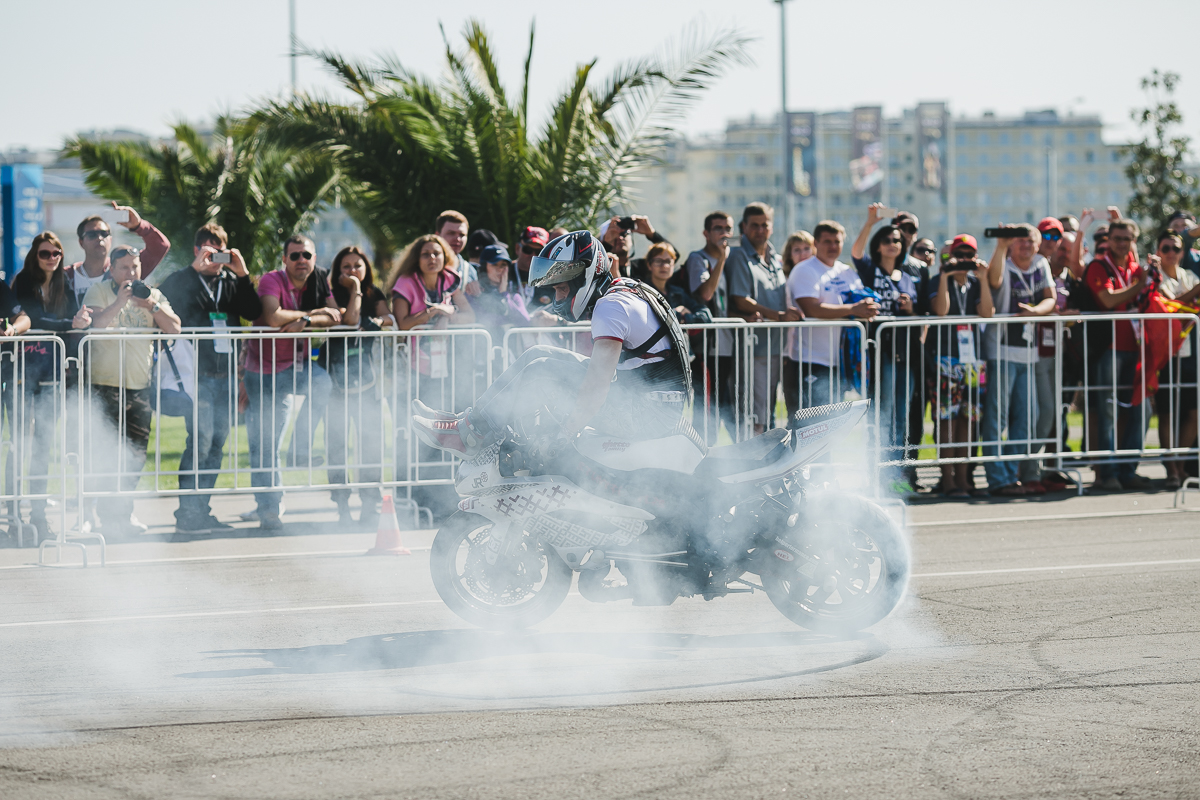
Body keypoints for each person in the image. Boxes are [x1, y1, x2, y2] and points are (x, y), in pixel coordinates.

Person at [410, 230, 692, 456]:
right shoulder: (623, 292)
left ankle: (470, 435)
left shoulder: (610, 307)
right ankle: (467, 424)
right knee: (539, 353)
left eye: (561, 287)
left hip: (649, 416)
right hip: (652, 405)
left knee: (542, 369)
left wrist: (562, 437)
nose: (557, 297)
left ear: (583, 276)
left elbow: (596, 389)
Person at [157, 223, 263, 534]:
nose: (212, 254)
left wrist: (242, 274)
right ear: (195, 250)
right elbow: (162, 298)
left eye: (218, 248)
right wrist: (193, 270)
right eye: (206, 247)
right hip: (197, 376)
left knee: (217, 445)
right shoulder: (184, 279)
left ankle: (201, 510)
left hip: (227, 375)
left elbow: (254, 310)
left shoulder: (231, 281)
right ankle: (187, 512)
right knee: (199, 444)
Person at [244, 235, 343, 530]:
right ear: (285, 259)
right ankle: (268, 509)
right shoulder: (271, 280)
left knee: (322, 383)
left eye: (307, 256)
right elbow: (274, 318)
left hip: (297, 368)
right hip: (262, 371)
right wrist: (312, 315)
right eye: (296, 255)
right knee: (264, 445)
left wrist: (307, 322)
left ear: (314, 259)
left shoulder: (319, 280)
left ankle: (299, 450)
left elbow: (336, 315)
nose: (302, 260)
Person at [82, 245, 181, 538]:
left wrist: (150, 306)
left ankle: (122, 514)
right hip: (105, 385)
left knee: (135, 457)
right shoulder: (99, 292)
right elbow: (95, 324)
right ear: (111, 269)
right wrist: (119, 303)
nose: (131, 273)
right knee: (105, 456)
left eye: (135, 267)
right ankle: (101, 515)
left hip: (139, 388)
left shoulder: (151, 294)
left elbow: (175, 329)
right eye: (124, 267)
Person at [12, 232, 92, 538]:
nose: (52, 258)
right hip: (23, 371)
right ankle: (14, 515)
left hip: (55, 372)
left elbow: (72, 319)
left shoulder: (64, 283)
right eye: (45, 253)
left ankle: (38, 518)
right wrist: (69, 326)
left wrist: (80, 322)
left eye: (56, 253)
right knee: (18, 445)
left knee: (43, 445)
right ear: (35, 255)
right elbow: (34, 319)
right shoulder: (23, 281)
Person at [982, 224, 1057, 497]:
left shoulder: (1040, 263)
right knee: (996, 418)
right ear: (1012, 244)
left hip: (1029, 351)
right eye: (1020, 241)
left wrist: (1036, 311)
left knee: (1027, 418)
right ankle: (996, 477)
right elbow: (994, 280)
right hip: (1001, 350)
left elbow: (1051, 298)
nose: (1026, 245)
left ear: (1038, 245)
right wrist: (1001, 246)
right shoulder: (1004, 260)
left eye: (1031, 241)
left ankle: (1011, 474)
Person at [322, 246, 392, 527]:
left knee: (371, 444)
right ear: (338, 270)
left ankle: (370, 503)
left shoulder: (375, 293)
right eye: (347, 266)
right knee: (337, 446)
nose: (353, 271)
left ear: (367, 268)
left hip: (368, 384)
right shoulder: (328, 295)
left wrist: (375, 321)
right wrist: (355, 290)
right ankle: (341, 506)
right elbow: (350, 318)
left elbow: (390, 319)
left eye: (358, 266)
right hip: (335, 384)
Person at [850, 205, 918, 492]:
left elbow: (916, 314)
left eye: (898, 241)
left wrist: (910, 307)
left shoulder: (907, 277)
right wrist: (869, 223)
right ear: (878, 246)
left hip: (906, 352)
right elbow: (855, 253)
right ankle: (879, 474)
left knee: (902, 414)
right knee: (885, 412)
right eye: (888, 240)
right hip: (882, 351)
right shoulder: (870, 270)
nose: (894, 244)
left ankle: (898, 474)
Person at [1084, 219, 1153, 492]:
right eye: (1117, 238)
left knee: (1142, 410)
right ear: (1108, 240)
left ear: (1133, 241)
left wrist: (1146, 281)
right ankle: (1108, 473)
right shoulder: (1098, 266)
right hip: (1109, 349)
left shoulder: (1136, 268)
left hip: (1136, 349)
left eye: (1127, 239)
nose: (1121, 243)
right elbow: (1108, 300)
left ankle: (1128, 470)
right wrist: (1140, 284)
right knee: (1108, 412)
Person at [726, 202, 801, 433]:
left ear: (771, 227)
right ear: (744, 227)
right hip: (753, 348)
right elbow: (740, 299)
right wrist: (778, 316)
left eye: (764, 225)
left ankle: (767, 463)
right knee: (754, 414)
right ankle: (755, 464)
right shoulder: (738, 255)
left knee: (766, 411)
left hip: (775, 347)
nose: (760, 230)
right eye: (754, 225)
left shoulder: (774, 257)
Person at [928, 235, 994, 497]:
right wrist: (945, 275)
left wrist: (985, 278)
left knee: (969, 419)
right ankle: (948, 480)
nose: (965, 260)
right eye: (960, 255)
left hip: (972, 362)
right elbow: (941, 311)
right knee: (947, 420)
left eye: (970, 255)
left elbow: (987, 312)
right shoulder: (937, 281)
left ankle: (964, 478)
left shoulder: (977, 284)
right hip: (946, 360)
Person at [788, 220, 878, 411]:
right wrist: (853, 309)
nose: (833, 246)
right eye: (827, 241)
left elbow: (862, 302)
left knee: (833, 423)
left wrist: (868, 307)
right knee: (810, 423)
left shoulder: (846, 271)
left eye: (837, 242)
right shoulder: (805, 269)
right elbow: (811, 308)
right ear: (816, 244)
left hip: (842, 361)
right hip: (813, 359)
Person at [1151, 230, 1199, 490]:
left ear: (1182, 252)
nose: (1171, 253)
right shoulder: (1155, 278)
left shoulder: (1189, 276)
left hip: (1188, 351)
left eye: (1176, 248)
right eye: (1166, 248)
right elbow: (1170, 307)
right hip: (1165, 354)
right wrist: (1195, 293)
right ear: (1159, 251)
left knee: (1193, 412)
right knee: (1167, 412)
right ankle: (1170, 467)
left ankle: (1180, 464)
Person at [685, 212, 738, 442]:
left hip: (731, 346)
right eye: (718, 228)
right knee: (708, 408)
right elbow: (706, 293)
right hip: (707, 348)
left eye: (728, 228)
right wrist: (723, 259)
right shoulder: (699, 258)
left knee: (730, 405)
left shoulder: (735, 259)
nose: (724, 233)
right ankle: (701, 457)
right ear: (706, 233)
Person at [67, 203, 170, 305]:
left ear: (110, 240)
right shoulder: (65, 276)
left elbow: (160, 246)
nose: (99, 238)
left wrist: (139, 226)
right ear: (81, 242)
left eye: (104, 234)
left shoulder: (126, 267)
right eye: (91, 235)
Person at [470, 243, 531, 364]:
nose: (500, 269)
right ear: (484, 267)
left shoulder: (513, 295)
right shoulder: (474, 292)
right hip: (481, 360)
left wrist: (504, 295)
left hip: (511, 360)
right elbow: (485, 319)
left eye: (503, 265)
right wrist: (507, 317)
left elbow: (525, 321)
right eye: (494, 264)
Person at [641, 242, 712, 326]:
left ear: (673, 265)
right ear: (649, 265)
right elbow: (651, 318)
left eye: (668, 261)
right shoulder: (642, 292)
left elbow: (705, 314)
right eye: (658, 261)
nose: (664, 266)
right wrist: (677, 314)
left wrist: (685, 318)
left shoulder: (678, 292)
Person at [600, 215, 667, 278]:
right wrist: (606, 246)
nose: (620, 238)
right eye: (614, 234)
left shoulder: (641, 268)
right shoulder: (601, 269)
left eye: (624, 234)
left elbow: (671, 256)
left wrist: (652, 234)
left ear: (631, 239)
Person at [434, 210, 477, 295]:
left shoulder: (469, 271)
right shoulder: (426, 265)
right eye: (451, 233)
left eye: (462, 235)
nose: (457, 239)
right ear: (437, 235)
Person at [1166, 211, 1200, 278]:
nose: (1180, 230)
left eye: (1185, 225)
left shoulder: (1197, 255)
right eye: (1176, 226)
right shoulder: (1163, 254)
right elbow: (1184, 236)